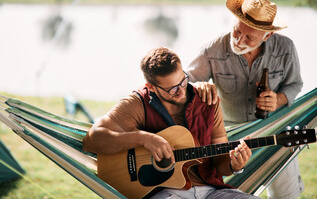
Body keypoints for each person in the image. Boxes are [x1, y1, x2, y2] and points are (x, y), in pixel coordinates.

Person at [83, 47, 259, 199]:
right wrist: (143, 138)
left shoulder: (208, 101)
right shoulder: (137, 104)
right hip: (165, 192)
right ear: (151, 87)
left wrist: (234, 165)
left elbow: (221, 164)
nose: (181, 91)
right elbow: (92, 140)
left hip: (212, 192)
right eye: (172, 89)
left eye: (183, 81)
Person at [187, 0, 304, 199]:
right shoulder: (211, 50)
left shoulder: (286, 48)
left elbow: (295, 84)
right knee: (239, 194)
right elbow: (185, 84)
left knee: (287, 195)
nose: (239, 40)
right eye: (236, 31)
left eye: (249, 37)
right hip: (231, 135)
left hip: (276, 131)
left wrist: (279, 99)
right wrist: (199, 85)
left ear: (267, 36)